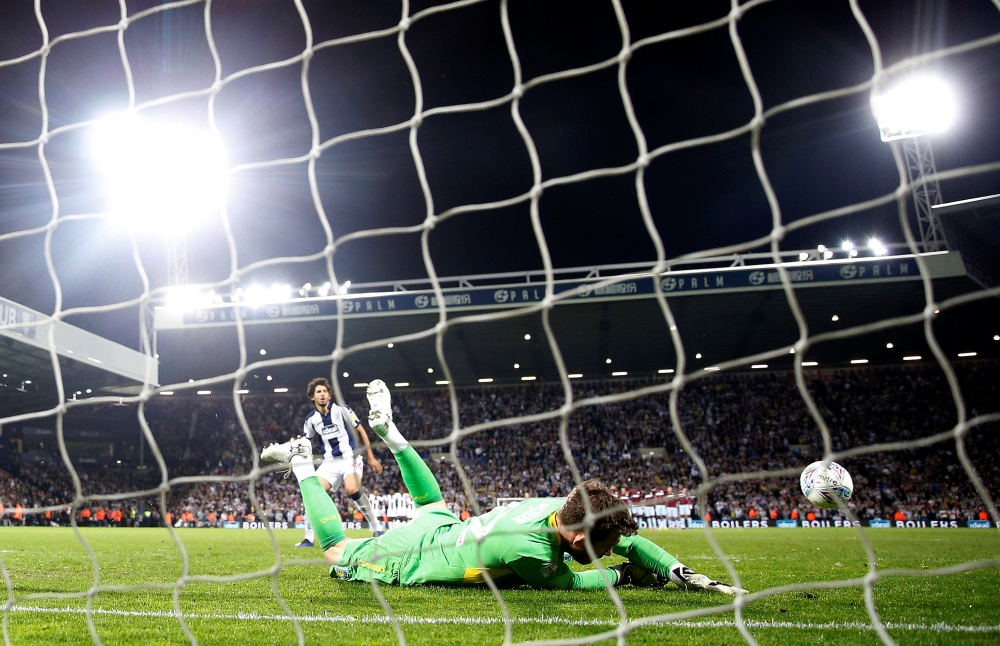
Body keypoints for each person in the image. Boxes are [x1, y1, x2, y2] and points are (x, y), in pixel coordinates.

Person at [262, 380, 746, 593]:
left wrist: (674, 569)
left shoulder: (569, 504)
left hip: (448, 525)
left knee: (431, 500)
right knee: (334, 548)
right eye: (601, 548)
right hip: (413, 556)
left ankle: (391, 432)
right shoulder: (532, 554)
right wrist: (624, 575)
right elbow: (578, 579)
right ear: (578, 538)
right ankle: (304, 465)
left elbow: (625, 536)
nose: (608, 552)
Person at [296, 377, 383, 547]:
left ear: (329, 395)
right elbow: (308, 443)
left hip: (351, 458)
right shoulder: (311, 420)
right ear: (312, 397)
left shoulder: (343, 411)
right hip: (330, 462)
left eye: (324, 391)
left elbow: (361, 431)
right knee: (311, 493)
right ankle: (308, 538)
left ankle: (377, 528)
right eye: (318, 392)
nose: (322, 394)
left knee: (352, 488)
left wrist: (371, 457)